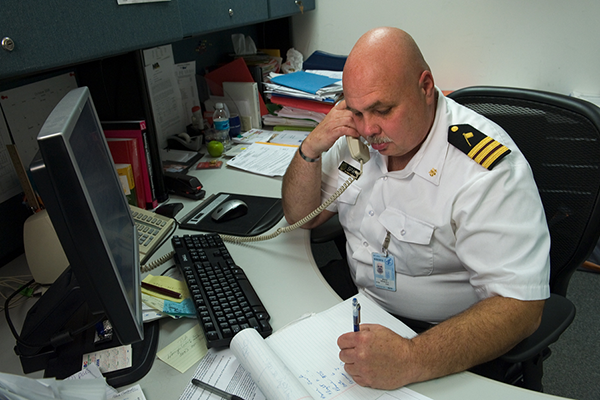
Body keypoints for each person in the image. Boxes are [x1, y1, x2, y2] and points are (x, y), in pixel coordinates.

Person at [281, 27, 550, 390]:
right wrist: (311, 148)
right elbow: (302, 217)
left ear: (425, 87)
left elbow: (521, 308)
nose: (369, 129)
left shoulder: (484, 170)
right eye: (356, 111)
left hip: (443, 338)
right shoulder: (357, 136)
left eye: (382, 109)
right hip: (359, 311)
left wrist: (411, 358)